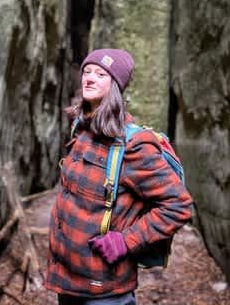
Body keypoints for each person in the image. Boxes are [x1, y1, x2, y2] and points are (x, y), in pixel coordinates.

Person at [45, 48, 193, 304]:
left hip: (105, 288)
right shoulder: (80, 128)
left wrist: (126, 241)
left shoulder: (133, 145)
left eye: (101, 74)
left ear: (115, 86)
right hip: (67, 278)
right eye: (87, 71)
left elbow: (178, 205)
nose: (90, 78)